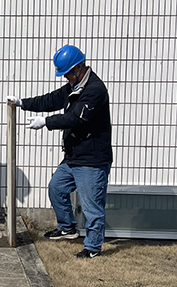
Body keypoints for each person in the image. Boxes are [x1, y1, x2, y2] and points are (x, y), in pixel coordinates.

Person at [7, 44, 113, 258]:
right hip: (74, 156)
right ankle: (67, 228)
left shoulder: (94, 90)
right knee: (56, 188)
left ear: (79, 68)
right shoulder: (74, 86)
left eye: (67, 74)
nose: (66, 78)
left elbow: (76, 119)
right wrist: (22, 103)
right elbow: (51, 99)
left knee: (92, 207)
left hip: (92, 160)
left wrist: (46, 122)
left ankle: (92, 248)